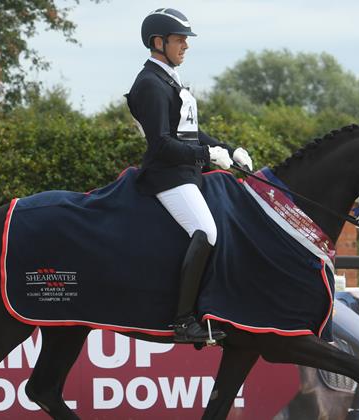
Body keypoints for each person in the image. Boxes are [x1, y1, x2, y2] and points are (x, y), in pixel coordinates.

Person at [126, 8, 252, 344]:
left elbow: (190, 134)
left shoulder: (169, 79)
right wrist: (206, 156)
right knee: (206, 231)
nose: (185, 46)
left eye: (185, 40)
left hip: (186, 174)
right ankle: (182, 320)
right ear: (158, 42)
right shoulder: (150, 84)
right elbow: (162, 144)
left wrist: (228, 148)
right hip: (167, 177)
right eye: (179, 39)